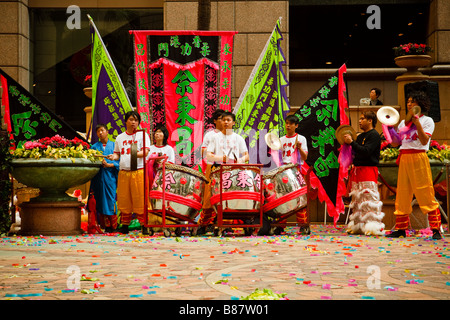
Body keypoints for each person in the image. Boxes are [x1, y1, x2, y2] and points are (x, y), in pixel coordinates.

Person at [387, 91, 442, 240]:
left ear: (420, 104)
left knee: (425, 193)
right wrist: (389, 129)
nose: (409, 104)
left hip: (418, 157)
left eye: (413, 101)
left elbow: (424, 141)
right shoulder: (403, 123)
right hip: (404, 157)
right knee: (402, 194)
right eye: (408, 101)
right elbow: (396, 143)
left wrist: (417, 124)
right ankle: (400, 229)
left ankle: (436, 229)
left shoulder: (427, 121)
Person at [260, 114, 309, 235]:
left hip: (295, 169)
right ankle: (280, 225)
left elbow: (305, 157)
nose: (288, 125)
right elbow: (277, 158)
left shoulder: (301, 138)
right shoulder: (281, 139)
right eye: (286, 123)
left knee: (299, 198)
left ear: (296, 126)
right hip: (283, 171)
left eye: (291, 124)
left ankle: (303, 225)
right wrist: (273, 149)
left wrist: (299, 148)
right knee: (282, 199)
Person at [107, 111, 151, 234]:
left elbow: (146, 152)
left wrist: (133, 154)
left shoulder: (143, 136)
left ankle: (144, 225)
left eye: (136, 120)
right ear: (126, 121)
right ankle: (125, 225)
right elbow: (117, 154)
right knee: (124, 198)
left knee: (140, 199)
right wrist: (113, 157)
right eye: (131, 119)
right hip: (124, 171)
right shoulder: (120, 137)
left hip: (139, 171)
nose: (133, 122)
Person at [343, 111, 385, 236]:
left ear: (370, 120)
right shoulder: (360, 136)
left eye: (362, 119)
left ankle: (372, 226)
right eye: (360, 119)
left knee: (369, 198)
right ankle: (358, 225)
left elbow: (366, 151)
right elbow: (355, 151)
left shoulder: (374, 135)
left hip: (368, 169)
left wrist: (351, 143)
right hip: (357, 170)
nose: (360, 121)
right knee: (357, 199)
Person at [198, 109, 225, 233]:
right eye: (220, 118)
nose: (223, 121)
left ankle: (221, 223)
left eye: (225, 119)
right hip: (212, 166)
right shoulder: (209, 134)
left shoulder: (230, 134)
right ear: (214, 121)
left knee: (224, 196)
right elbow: (203, 151)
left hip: (225, 168)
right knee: (209, 196)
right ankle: (204, 223)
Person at [90, 124, 120, 233]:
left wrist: (110, 165)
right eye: (98, 131)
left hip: (110, 177)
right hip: (98, 178)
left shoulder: (114, 146)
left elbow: (120, 162)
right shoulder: (94, 147)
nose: (100, 133)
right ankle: (104, 226)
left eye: (102, 130)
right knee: (100, 200)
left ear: (107, 132)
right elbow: (90, 161)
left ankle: (113, 225)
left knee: (111, 200)